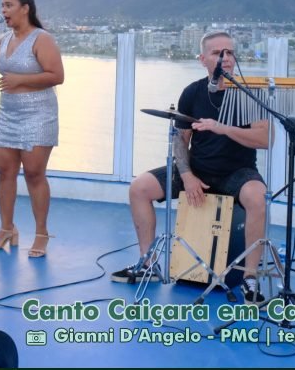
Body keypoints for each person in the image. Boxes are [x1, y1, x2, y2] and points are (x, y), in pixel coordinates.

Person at [110, 30, 269, 304]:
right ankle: (148, 263)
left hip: (237, 172)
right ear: (203, 59)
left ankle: (250, 278)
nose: (225, 58)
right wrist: (187, 174)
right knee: (139, 188)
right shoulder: (193, 92)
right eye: (218, 53)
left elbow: (265, 139)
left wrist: (224, 129)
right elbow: (181, 141)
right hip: (197, 169)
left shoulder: (249, 94)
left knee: (257, 197)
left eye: (230, 52)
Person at [0, 0, 64, 258]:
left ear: (25, 8)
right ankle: (7, 228)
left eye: (8, 5)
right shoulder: (3, 39)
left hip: (38, 115)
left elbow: (57, 75)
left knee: (34, 174)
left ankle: (41, 234)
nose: (3, 11)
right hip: (8, 115)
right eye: (2, 6)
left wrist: (20, 80)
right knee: (4, 173)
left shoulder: (42, 38)